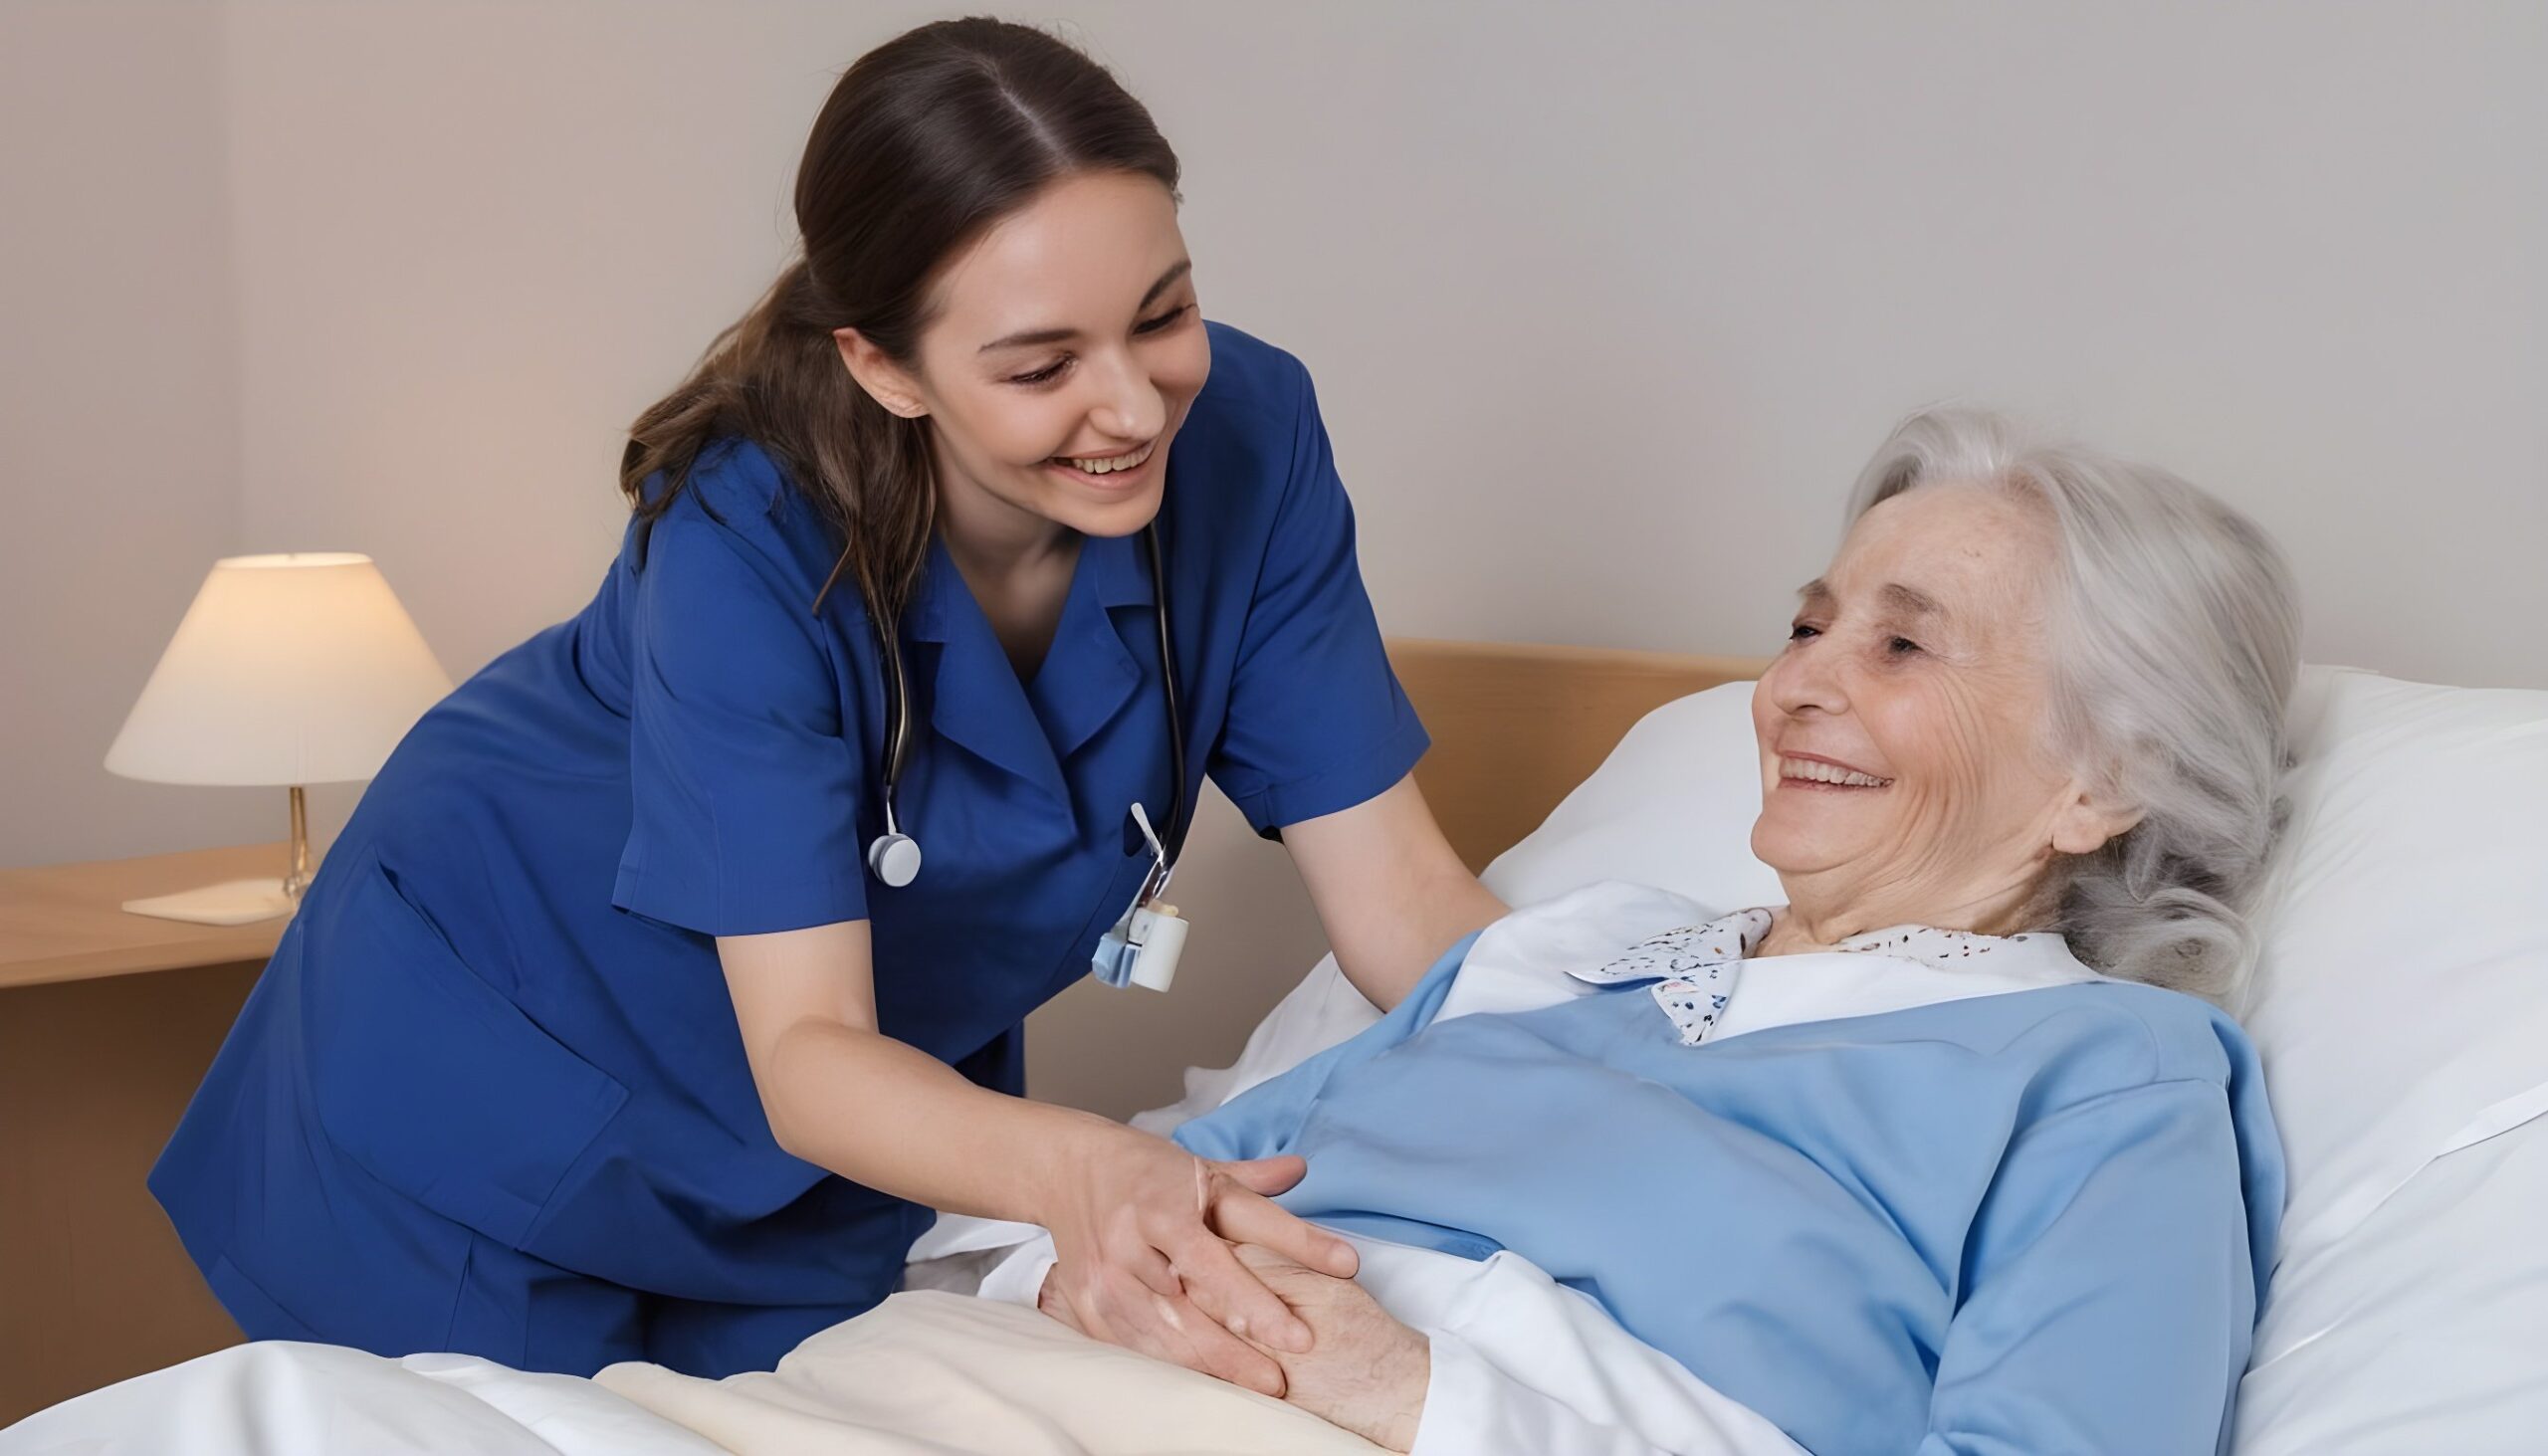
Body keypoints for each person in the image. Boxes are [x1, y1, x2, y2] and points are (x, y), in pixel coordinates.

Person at [150, 18, 1502, 1391]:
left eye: (1162, 314)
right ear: (884, 365)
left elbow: (1403, 897)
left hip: (836, 1130)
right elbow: (809, 1050)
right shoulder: (747, 529)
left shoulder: (1252, 442)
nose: (1134, 404)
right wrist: (1091, 1168)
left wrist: (1681, 1026)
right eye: (1041, 366)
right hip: (491, 1050)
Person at [1031, 406, 2301, 1454]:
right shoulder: (1562, 951)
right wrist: (1093, 1267)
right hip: (1041, 1380)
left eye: (1904, 644)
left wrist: (1412, 1393)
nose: (1795, 685)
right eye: (1808, 625)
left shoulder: (2107, 1073)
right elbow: (1126, 1202)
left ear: (2102, 778)